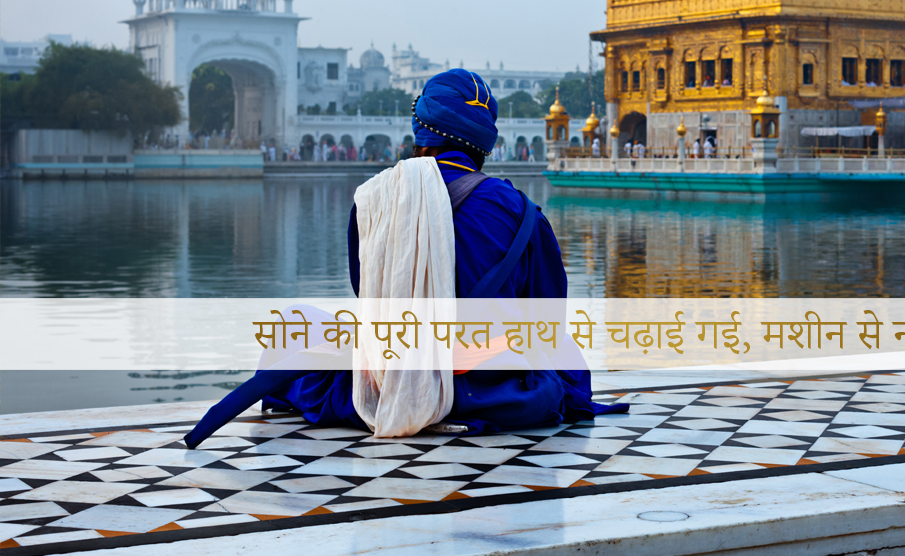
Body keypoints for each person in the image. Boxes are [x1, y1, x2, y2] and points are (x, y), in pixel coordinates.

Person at [183, 69, 627, 447]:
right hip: (489, 385)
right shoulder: (520, 210)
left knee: (297, 326)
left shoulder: (375, 197)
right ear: (484, 142)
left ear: (421, 131)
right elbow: (547, 316)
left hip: (389, 374)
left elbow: (369, 294)